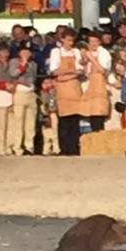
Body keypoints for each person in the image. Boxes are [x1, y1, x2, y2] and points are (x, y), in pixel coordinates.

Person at [50, 28, 83, 156]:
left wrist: (66, 75)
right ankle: (64, 148)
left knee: (74, 120)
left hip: (74, 88)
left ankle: (74, 147)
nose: (70, 43)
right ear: (62, 39)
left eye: (72, 40)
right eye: (68, 40)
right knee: (63, 120)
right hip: (63, 90)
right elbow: (54, 71)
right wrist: (72, 72)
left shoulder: (76, 52)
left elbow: (80, 70)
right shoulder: (56, 52)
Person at [78, 32, 112, 132]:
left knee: (98, 116)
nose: (93, 44)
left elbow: (102, 70)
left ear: (100, 42)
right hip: (91, 87)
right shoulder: (91, 53)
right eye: (90, 41)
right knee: (92, 117)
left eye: (95, 41)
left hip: (100, 87)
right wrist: (84, 60)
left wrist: (92, 59)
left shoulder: (103, 53)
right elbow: (87, 73)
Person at [9, 41, 38, 156]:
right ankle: (17, 146)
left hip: (31, 92)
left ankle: (29, 145)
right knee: (18, 120)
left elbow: (34, 77)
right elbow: (13, 74)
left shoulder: (34, 64)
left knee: (30, 121)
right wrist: (23, 64)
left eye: (28, 52)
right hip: (20, 92)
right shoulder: (14, 62)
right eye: (24, 51)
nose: (27, 53)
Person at [0, 44, 14, 156]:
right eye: (3, 52)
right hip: (1, 94)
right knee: (1, 123)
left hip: (11, 93)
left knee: (11, 123)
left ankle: (8, 146)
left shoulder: (11, 64)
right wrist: (5, 86)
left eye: (7, 52)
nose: (5, 54)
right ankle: (0, 147)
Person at [39, 76, 60, 156]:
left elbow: (52, 102)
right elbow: (44, 101)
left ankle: (56, 149)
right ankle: (46, 150)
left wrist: (51, 89)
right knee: (46, 134)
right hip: (45, 114)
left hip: (52, 113)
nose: (47, 84)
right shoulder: (42, 93)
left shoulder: (53, 92)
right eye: (45, 83)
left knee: (54, 132)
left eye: (49, 82)